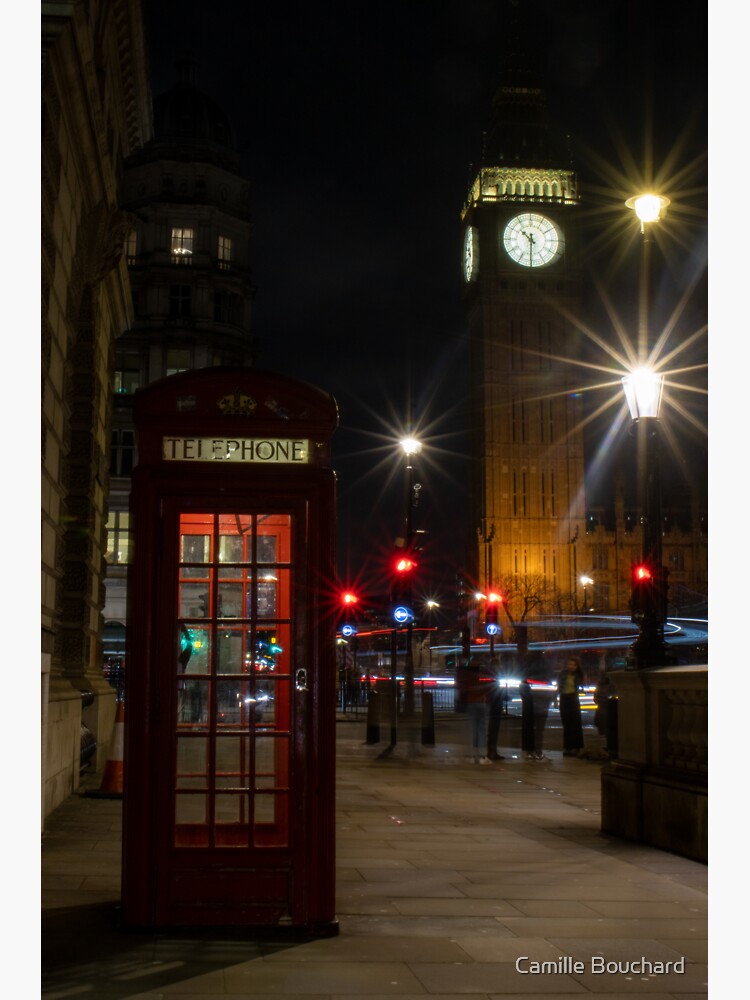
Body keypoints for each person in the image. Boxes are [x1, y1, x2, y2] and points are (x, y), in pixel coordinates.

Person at [455, 658, 492, 763]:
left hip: (471, 703)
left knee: (474, 728)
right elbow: (488, 688)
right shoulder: (481, 677)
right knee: (482, 728)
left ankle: (474, 752)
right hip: (481, 702)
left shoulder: (468, 678)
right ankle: (482, 753)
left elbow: (463, 688)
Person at [557, 656, 585, 756]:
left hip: (573, 698)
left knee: (575, 723)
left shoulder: (578, 675)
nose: (571, 666)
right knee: (566, 724)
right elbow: (559, 686)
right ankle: (567, 747)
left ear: (577, 666)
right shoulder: (562, 674)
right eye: (569, 664)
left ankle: (576, 746)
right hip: (564, 698)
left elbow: (580, 686)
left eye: (573, 664)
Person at [486, 659, 505, 760]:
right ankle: (492, 751)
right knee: (493, 728)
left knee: (493, 729)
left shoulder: (493, 678)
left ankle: (492, 750)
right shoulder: (494, 678)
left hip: (495, 705)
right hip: (495, 706)